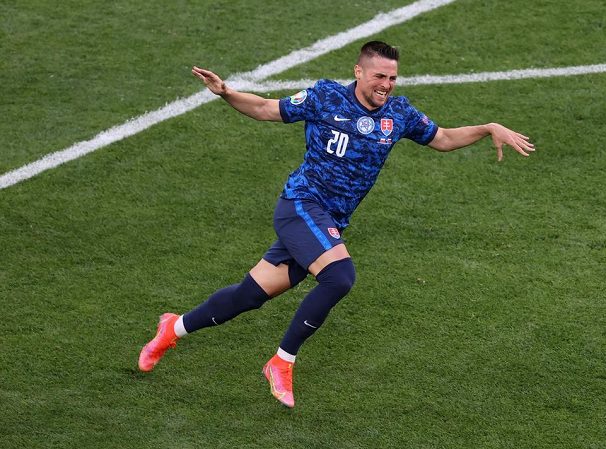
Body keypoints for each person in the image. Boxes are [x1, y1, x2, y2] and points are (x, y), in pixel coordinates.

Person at [138, 41, 535, 408]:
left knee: (251, 295)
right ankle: (281, 362)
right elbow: (265, 108)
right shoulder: (326, 97)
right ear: (359, 72)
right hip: (300, 205)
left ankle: (173, 329)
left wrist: (488, 128)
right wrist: (226, 92)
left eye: (393, 77)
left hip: (328, 221)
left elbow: (443, 138)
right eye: (379, 76)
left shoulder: (398, 114)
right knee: (340, 276)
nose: (387, 85)